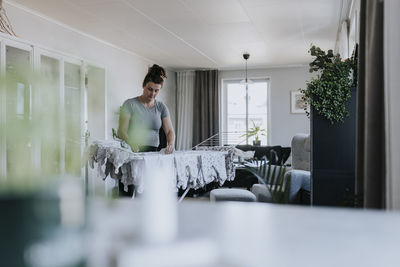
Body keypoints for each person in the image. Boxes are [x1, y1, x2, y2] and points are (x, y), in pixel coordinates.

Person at [117, 64, 175, 196]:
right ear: (143, 85)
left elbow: (170, 131)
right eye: (150, 89)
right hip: (132, 151)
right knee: (129, 193)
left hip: (152, 155)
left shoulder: (161, 107)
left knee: (148, 194)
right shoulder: (130, 104)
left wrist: (170, 144)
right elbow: (121, 130)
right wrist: (131, 142)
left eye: (156, 91)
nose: (152, 93)